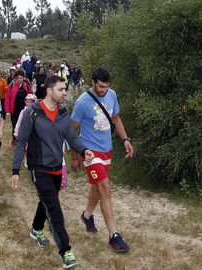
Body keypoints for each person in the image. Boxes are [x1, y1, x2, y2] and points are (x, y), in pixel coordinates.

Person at [9, 75, 94, 269]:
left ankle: (36, 228)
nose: (65, 92)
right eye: (61, 89)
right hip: (38, 168)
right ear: (49, 90)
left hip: (57, 166)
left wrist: (83, 150)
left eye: (65, 89)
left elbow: (71, 137)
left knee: (46, 201)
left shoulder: (64, 112)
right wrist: (15, 170)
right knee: (54, 209)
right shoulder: (33, 112)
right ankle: (66, 251)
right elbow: (21, 141)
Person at [70, 67, 134, 253]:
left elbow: (115, 118)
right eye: (101, 86)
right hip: (89, 152)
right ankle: (114, 236)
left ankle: (87, 215)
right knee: (105, 188)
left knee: (97, 188)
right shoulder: (82, 103)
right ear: (93, 83)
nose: (104, 90)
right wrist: (75, 157)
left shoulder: (112, 95)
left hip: (107, 150)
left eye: (106, 86)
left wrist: (125, 140)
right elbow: (72, 131)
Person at [5, 70, 31, 146]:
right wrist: (7, 111)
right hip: (15, 111)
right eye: (18, 78)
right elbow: (7, 99)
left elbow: (30, 96)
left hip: (25, 110)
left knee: (25, 126)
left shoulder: (26, 85)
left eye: (21, 78)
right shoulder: (11, 86)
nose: (20, 79)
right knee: (15, 126)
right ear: (15, 78)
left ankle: (24, 141)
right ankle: (15, 141)